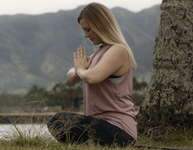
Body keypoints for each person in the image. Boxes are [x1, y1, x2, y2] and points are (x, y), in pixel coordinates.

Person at [46, 2, 138, 147]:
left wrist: (81, 70)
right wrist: (79, 69)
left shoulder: (118, 50)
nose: (86, 35)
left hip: (119, 129)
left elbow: (92, 78)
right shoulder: (99, 52)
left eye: (88, 29)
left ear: (101, 25)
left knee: (58, 121)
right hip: (100, 125)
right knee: (57, 122)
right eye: (84, 30)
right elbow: (71, 77)